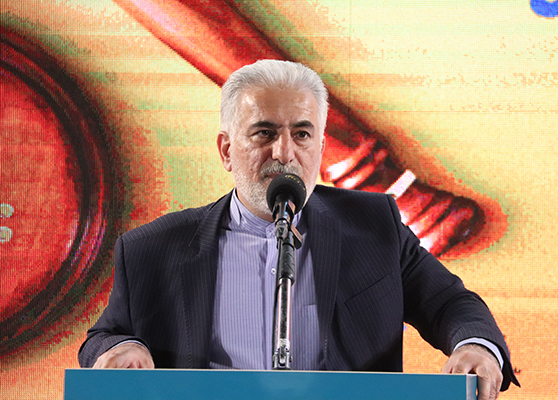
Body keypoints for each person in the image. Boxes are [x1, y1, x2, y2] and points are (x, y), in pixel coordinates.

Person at [79, 59, 519, 399]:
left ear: (320, 147)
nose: (284, 153)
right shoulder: (151, 248)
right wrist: (120, 349)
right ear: (226, 150)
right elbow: (104, 337)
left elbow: (449, 304)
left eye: (302, 134)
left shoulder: (373, 226)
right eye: (264, 133)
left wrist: (476, 347)